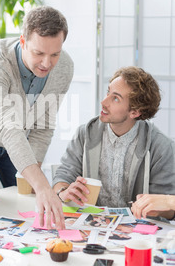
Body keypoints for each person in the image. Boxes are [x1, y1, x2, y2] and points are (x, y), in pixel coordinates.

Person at [0, 6, 74, 229]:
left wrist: (35, 184)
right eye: (39, 53)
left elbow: (43, 126)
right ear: (23, 42)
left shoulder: (64, 67)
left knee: (26, 203)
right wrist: (42, 185)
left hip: (18, 140)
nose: (47, 63)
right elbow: (6, 126)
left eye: (54, 54)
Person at [53, 66, 175, 220]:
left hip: (137, 233)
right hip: (90, 226)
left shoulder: (161, 147)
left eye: (115, 98)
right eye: (108, 92)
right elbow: (62, 176)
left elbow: (168, 211)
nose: (104, 102)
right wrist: (63, 192)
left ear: (135, 112)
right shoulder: (85, 134)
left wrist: (155, 206)